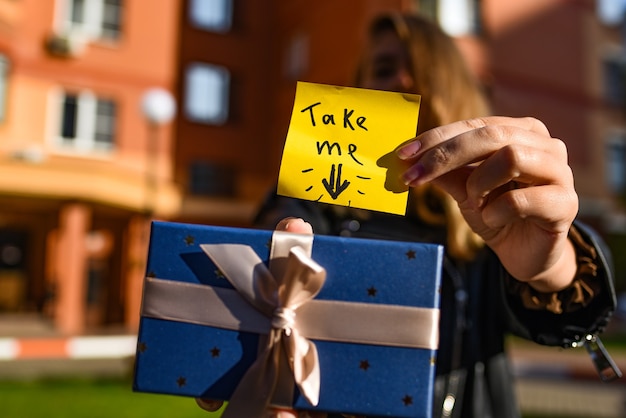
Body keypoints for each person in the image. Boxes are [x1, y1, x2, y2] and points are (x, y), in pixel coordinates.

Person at [199, 12, 617, 418]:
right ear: (357, 92)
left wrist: (552, 259)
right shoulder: (310, 196)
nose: (403, 81)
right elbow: (264, 263)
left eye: (424, 71)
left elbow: (563, 313)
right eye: (384, 69)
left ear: (456, 89)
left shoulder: (495, 207)